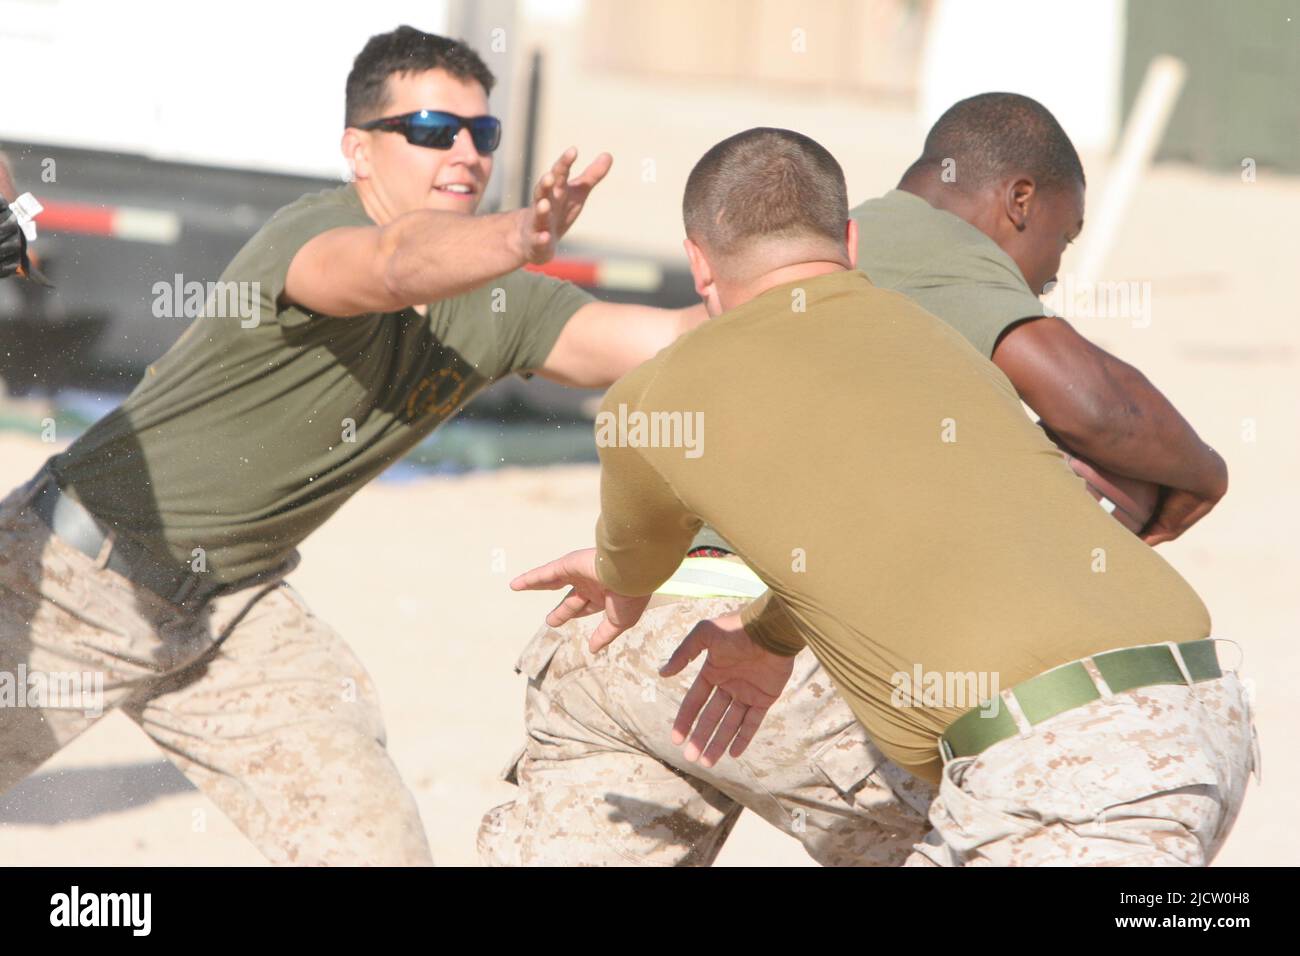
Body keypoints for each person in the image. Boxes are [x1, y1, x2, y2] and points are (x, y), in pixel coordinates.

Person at [0, 25, 701, 866]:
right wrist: (522, 235)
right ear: (358, 151)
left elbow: (666, 341)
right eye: (434, 131)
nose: (467, 153)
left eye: (485, 135)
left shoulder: (502, 301)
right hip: (75, 576)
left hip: (231, 612)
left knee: (375, 847)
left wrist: (800, 289)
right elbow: (396, 264)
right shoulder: (315, 237)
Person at [479, 94, 1229, 867]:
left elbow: (637, 547)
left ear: (698, 260)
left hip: (658, 647)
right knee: (1007, 790)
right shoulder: (937, 314)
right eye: (1062, 243)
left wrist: (628, 577)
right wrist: (1204, 475)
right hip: (1050, 705)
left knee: (587, 676)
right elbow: (1102, 410)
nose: (1052, 275)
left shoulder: (675, 373)